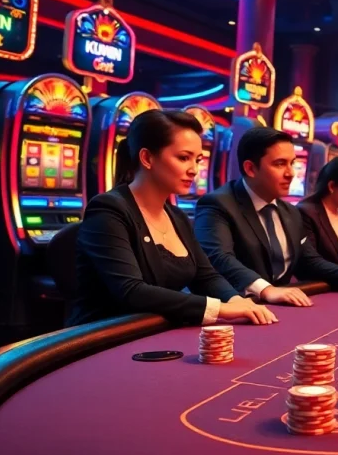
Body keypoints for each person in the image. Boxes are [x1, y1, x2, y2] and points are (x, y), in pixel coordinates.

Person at [71, 110, 276, 327]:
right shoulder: (108, 210)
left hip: (152, 330)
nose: (194, 170)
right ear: (147, 158)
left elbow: (205, 276)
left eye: (197, 160)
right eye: (183, 158)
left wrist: (238, 302)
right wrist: (222, 309)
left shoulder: (176, 216)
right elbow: (131, 290)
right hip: (102, 337)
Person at [195, 127, 338, 307]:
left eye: (292, 163)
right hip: (233, 311)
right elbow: (219, 258)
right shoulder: (217, 204)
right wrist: (267, 290)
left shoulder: (290, 211)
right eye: (280, 164)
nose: (291, 173)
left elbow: (310, 261)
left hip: (278, 310)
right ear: (250, 168)